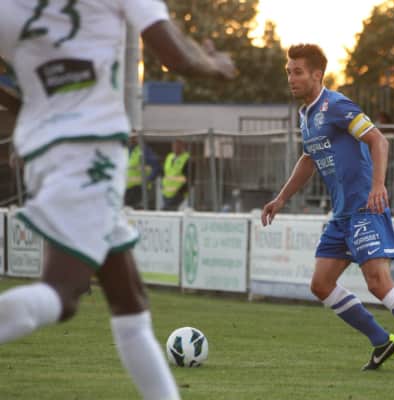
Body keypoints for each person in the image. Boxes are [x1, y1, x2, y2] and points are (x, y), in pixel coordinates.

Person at [0, 2, 235, 399]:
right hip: (90, 149)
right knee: (63, 293)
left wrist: (32, 108)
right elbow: (175, 56)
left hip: (43, 152)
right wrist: (215, 65)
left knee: (130, 304)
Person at [261, 44, 394, 375]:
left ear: (317, 74)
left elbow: (379, 140)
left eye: (298, 72)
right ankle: (382, 341)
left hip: (365, 207)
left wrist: (378, 186)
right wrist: (281, 198)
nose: (291, 78)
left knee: (377, 282)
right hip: (342, 215)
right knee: (321, 284)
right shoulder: (306, 115)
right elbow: (309, 158)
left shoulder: (336, 105)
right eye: (288, 72)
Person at [125, 135, 161, 209]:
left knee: (134, 209)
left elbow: (156, 166)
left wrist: (148, 179)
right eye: (130, 137)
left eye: (133, 138)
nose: (130, 139)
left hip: (139, 187)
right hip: (128, 188)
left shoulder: (144, 150)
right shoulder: (129, 151)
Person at [161, 139, 190, 211]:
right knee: (168, 212)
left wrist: (181, 192)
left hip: (178, 194)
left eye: (177, 146)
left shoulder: (187, 159)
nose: (175, 148)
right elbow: (165, 173)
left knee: (168, 211)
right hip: (166, 193)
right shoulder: (169, 157)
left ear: (183, 147)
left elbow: (190, 178)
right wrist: (162, 185)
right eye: (174, 146)